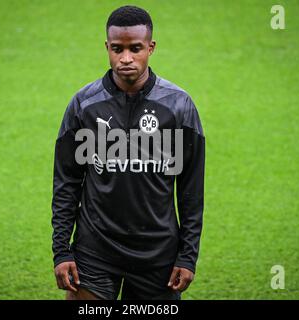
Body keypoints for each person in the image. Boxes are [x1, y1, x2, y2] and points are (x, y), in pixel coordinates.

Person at [51, 5, 205, 300]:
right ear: (106, 47)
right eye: (117, 49)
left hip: (157, 256)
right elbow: (66, 184)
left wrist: (187, 256)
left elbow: (191, 191)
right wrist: (61, 251)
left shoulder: (179, 107)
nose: (125, 58)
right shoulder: (84, 105)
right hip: (94, 251)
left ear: (151, 47)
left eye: (136, 48)